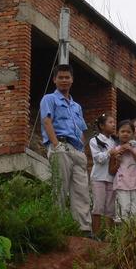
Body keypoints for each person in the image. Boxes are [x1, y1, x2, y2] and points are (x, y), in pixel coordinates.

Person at [40, 64, 91, 234]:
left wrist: (82, 150)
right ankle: (58, 226)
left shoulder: (76, 107)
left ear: (72, 80)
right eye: (60, 77)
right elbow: (47, 121)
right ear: (54, 80)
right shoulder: (49, 99)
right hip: (60, 146)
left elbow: (82, 130)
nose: (64, 80)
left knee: (82, 191)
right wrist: (56, 145)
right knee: (60, 188)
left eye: (67, 77)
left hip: (77, 150)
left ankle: (83, 229)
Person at [110, 119, 136, 220]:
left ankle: (134, 234)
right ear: (117, 133)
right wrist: (117, 162)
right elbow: (111, 171)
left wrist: (131, 151)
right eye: (122, 131)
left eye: (129, 132)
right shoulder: (115, 151)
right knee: (123, 211)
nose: (125, 134)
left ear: (133, 134)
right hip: (122, 184)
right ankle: (122, 235)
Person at [89, 113, 117, 238]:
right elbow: (98, 159)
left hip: (111, 178)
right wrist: (109, 153)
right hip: (99, 178)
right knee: (98, 206)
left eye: (114, 122)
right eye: (110, 122)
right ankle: (95, 235)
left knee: (110, 208)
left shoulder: (114, 141)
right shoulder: (94, 140)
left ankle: (108, 236)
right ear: (101, 125)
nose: (113, 125)